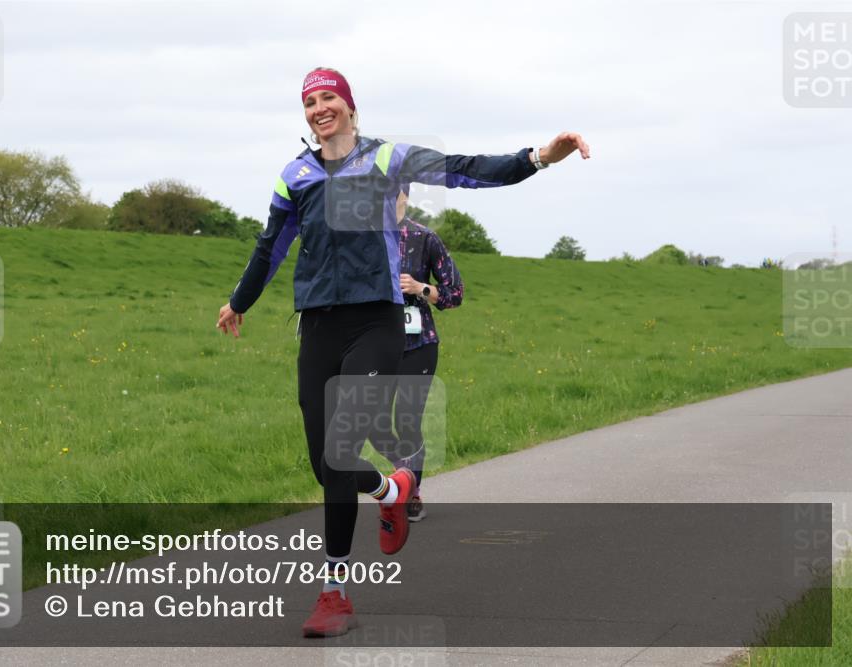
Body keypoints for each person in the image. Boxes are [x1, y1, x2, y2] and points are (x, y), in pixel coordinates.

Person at [216, 66, 590, 638]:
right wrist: (239, 301)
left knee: (342, 450)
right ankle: (392, 490)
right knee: (325, 464)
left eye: (329, 98)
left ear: (350, 106)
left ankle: (334, 595)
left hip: (377, 320)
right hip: (317, 324)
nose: (319, 109)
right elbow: (271, 246)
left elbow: (462, 169)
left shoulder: (386, 158)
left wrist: (538, 158)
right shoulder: (295, 174)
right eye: (310, 102)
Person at [369, 188, 463, 522]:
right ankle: (404, 475)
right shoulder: (362, 237)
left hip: (418, 345)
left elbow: (455, 294)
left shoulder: (425, 238)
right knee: (372, 423)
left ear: (404, 196)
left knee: (407, 422)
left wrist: (421, 288)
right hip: (376, 344)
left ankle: (410, 495)